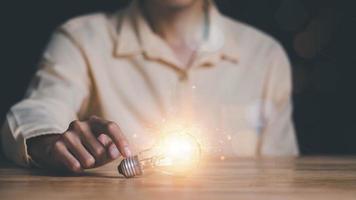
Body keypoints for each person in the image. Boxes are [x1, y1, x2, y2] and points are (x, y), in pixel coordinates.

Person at [1, 0, 299, 173]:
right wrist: (47, 141)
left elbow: (283, 173)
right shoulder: (82, 39)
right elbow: (39, 109)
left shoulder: (265, 56)